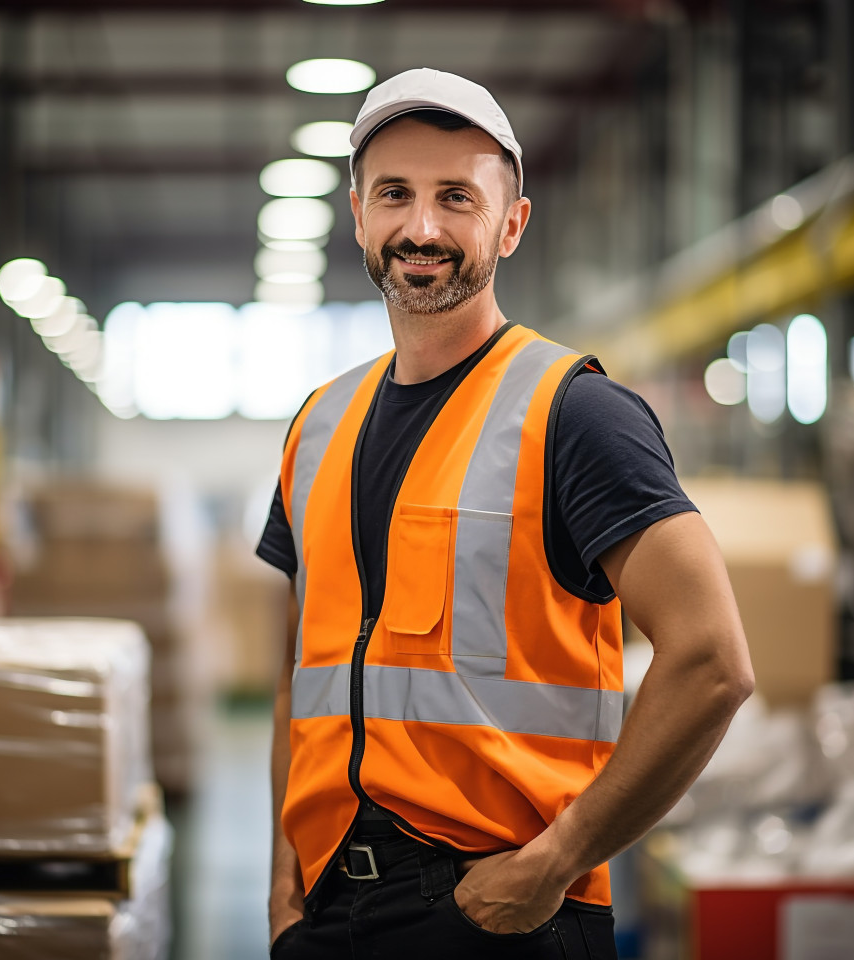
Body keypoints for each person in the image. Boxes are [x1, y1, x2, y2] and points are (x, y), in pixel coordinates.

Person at [255, 67, 754, 960]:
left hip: (500, 914)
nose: (423, 227)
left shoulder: (575, 414)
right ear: (360, 217)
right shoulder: (317, 425)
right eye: (395, 195)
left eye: (457, 197)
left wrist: (557, 862)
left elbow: (712, 661)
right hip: (328, 908)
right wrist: (280, 882)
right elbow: (301, 673)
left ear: (512, 224)